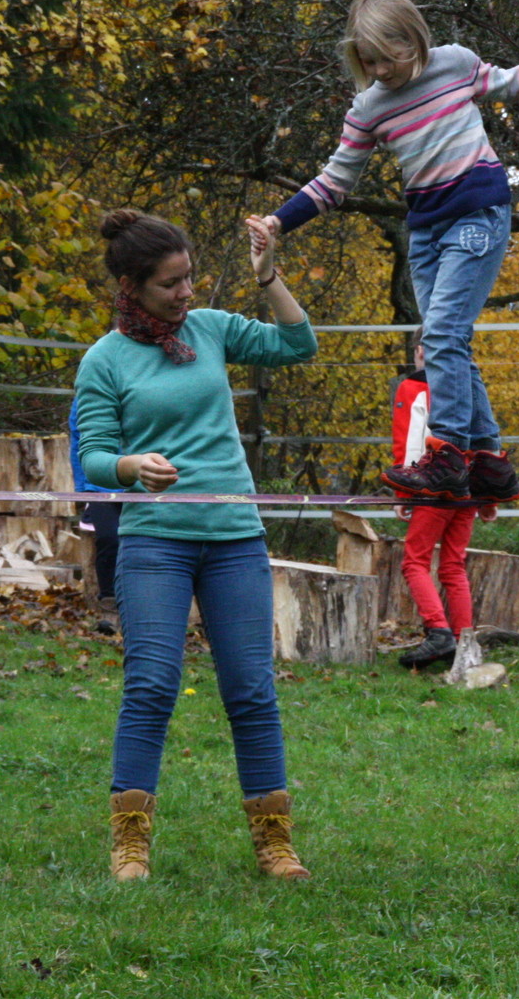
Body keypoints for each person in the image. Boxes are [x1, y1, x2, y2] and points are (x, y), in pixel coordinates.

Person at [246, 0, 519, 500]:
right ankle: (490, 464)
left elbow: (515, 83)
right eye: (369, 62)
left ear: (413, 41)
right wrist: (281, 221)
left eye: (388, 59)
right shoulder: (368, 107)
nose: (381, 71)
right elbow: (335, 181)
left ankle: (447, 454)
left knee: (441, 336)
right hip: (427, 232)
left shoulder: (454, 63)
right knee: (445, 343)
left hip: (478, 214)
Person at [74, 207, 317, 883]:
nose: (185, 294)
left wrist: (269, 278)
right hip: (154, 542)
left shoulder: (211, 330)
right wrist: (131, 467)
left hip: (235, 538)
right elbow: (93, 455)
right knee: (150, 685)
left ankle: (274, 841)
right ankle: (131, 843)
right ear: (131, 285)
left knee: (251, 690)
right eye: (170, 284)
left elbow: (299, 346)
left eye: (189, 279)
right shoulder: (104, 361)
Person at [391, 333, 476, 668]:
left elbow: (408, 441)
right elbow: (486, 437)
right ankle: (464, 642)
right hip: (468, 485)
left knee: (414, 562)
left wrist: (403, 491)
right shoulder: (470, 385)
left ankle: (439, 632)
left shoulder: (412, 386)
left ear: (421, 351)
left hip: (433, 486)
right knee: (454, 565)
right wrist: (488, 496)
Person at [67, 394, 121, 612]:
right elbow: (78, 441)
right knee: (109, 538)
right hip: (101, 486)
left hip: (146, 484)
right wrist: (83, 488)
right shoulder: (89, 395)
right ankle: (108, 600)